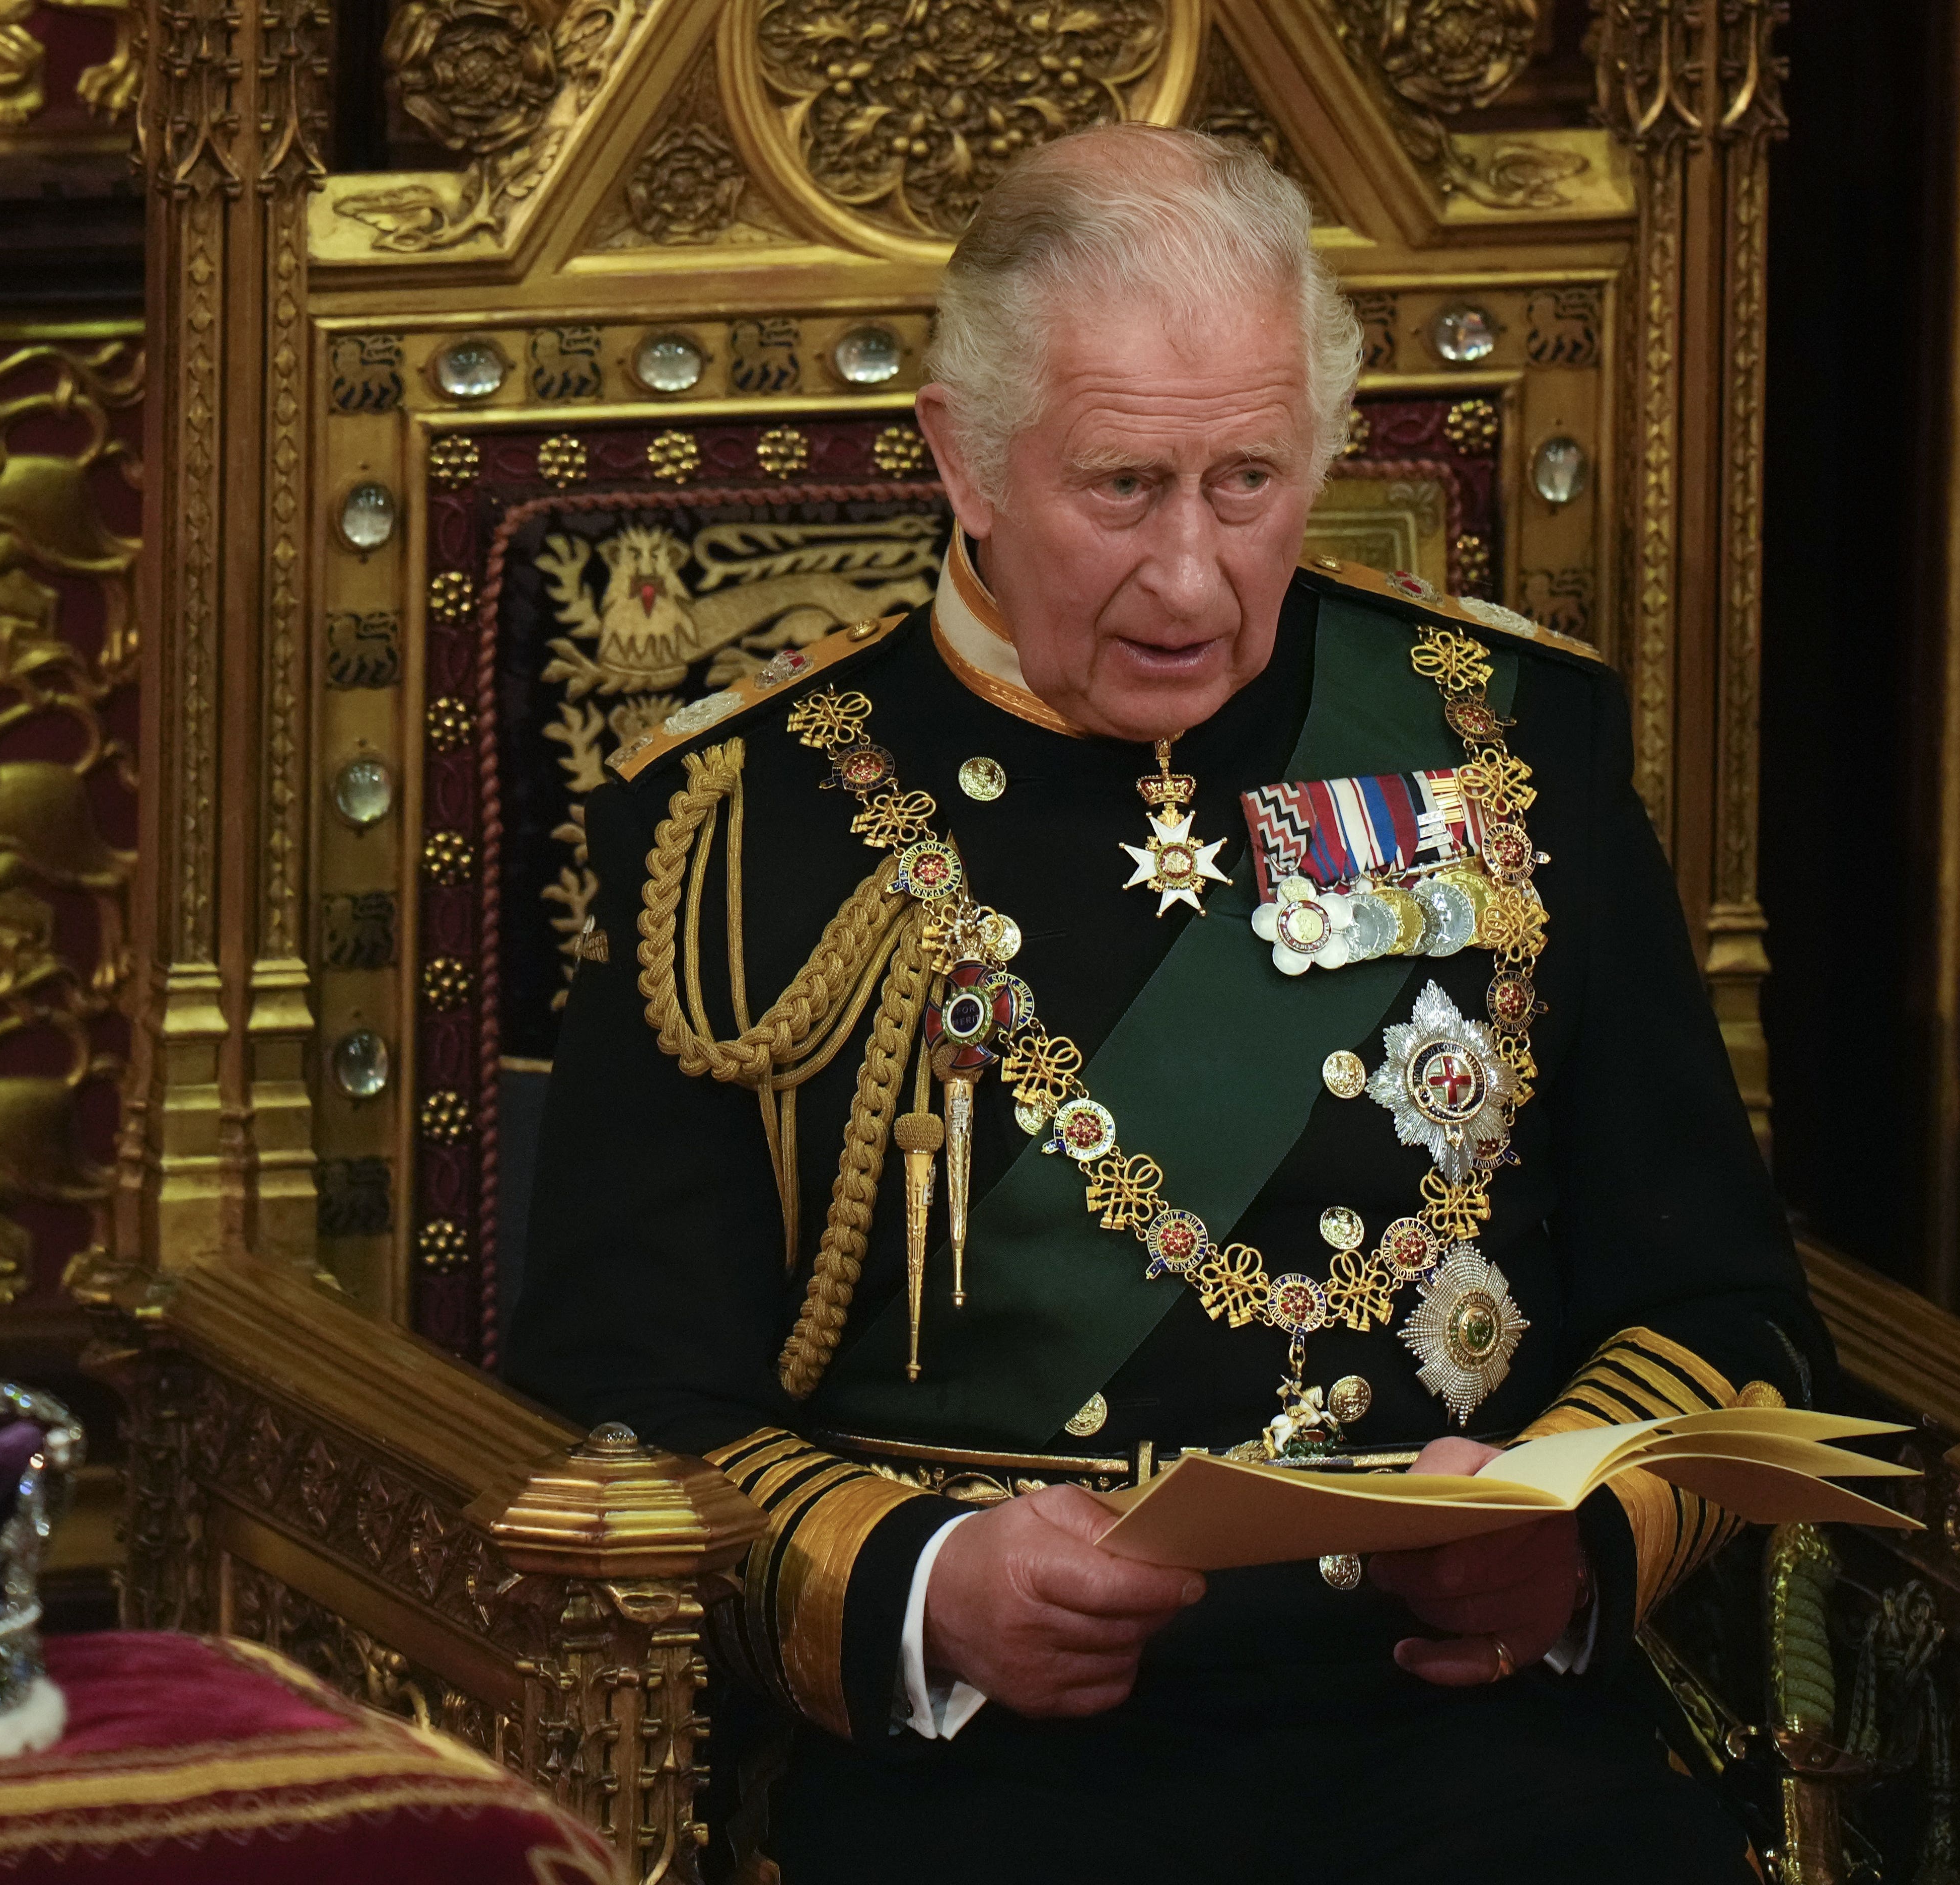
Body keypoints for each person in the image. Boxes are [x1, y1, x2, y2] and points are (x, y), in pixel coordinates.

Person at [507, 123, 1825, 1884]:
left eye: (1251, 483)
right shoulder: (741, 826)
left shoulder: (1507, 738)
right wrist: (918, 1589)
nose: (1194, 579)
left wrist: (1573, 1535)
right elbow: (615, 1404)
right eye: (1122, 487)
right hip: (985, 1768)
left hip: (1467, 1731)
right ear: (963, 460)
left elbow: (1725, 1304)